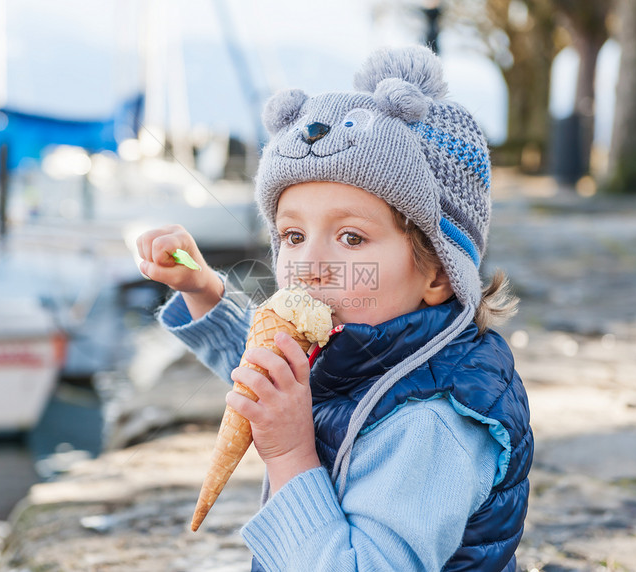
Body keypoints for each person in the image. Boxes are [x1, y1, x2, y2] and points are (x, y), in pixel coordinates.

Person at [136, 45, 533, 572]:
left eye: (351, 237)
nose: (309, 265)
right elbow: (270, 370)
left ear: (438, 272)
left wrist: (289, 456)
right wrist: (203, 288)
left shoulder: (433, 424)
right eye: (293, 235)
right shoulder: (363, 339)